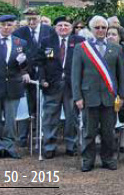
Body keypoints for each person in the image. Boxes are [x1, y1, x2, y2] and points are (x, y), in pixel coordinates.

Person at [72, 16, 124, 172]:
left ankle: (108, 159)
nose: (101, 30)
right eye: (97, 27)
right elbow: (76, 75)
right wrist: (78, 97)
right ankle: (88, 160)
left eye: (104, 27)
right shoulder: (81, 48)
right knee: (89, 132)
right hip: (89, 97)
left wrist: (122, 95)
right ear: (91, 29)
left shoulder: (116, 48)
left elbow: (120, 75)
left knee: (109, 132)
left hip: (110, 97)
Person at [38, 16, 85, 159]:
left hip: (72, 85)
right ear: (55, 28)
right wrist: (42, 78)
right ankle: (49, 146)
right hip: (52, 85)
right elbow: (40, 62)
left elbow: (84, 64)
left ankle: (71, 145)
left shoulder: (80, 42)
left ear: (71, 28)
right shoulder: (47, 41)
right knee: (50, 117)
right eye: (60, 25)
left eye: (66, 25)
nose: (63, 28)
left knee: (72, 117)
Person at [13, 8, 55, 146]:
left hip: (44, 74)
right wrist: (23, 71)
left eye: (34, 18)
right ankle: (23, 138)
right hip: (26, 75)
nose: (31, 21)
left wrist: (47, 72)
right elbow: (16, 55)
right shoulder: (19, 33)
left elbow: (51, 53)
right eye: (29, 19)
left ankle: (42, 137)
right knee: (26, 106)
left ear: (40, 17)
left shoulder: (49, 31)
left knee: (43, 106)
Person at [0, 15, 30, 160]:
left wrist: (23, 62)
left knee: (10, 120)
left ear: (14, 26)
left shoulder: (21, 42)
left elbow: (26, 67)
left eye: (9, 25)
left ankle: (9, 147)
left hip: (13, 86)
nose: (6, 27)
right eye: (3, 25)